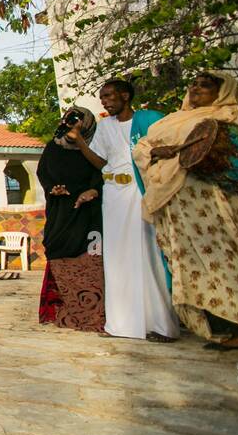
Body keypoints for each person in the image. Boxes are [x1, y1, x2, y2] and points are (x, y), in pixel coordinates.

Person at [133, 71, 238, 362]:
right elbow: (143, 147)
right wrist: (159, 149)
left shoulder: (235, 115)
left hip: (221, 207)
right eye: (193, 83)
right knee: (210, 273)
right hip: (181, 210)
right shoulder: (172, 120)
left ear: (222, 91)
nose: (196, 88)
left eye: (205, 85)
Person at [71, 78, 177, 342]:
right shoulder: (105, 126)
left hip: (138, 192)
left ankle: (161, 324)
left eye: (108, 96)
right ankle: (121, 324)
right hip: (114, 196)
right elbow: (100, 162)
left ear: (125, 96)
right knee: (118, 260)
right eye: (102, 97)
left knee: (146, 254)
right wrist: (80, 142)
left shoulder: (149, 120)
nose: (104, 101)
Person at [36, 107, 105, 331]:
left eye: (78, 120)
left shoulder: (96, 147)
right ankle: (63, 310)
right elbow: (43, 172)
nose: (72, 123)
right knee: (59, 252)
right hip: (60, 210)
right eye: (69, 119)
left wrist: (93, 191)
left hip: (88, 212)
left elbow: (103, 172)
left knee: (90, 257)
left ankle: (95, 315)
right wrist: (51, 189)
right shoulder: (53, 147)